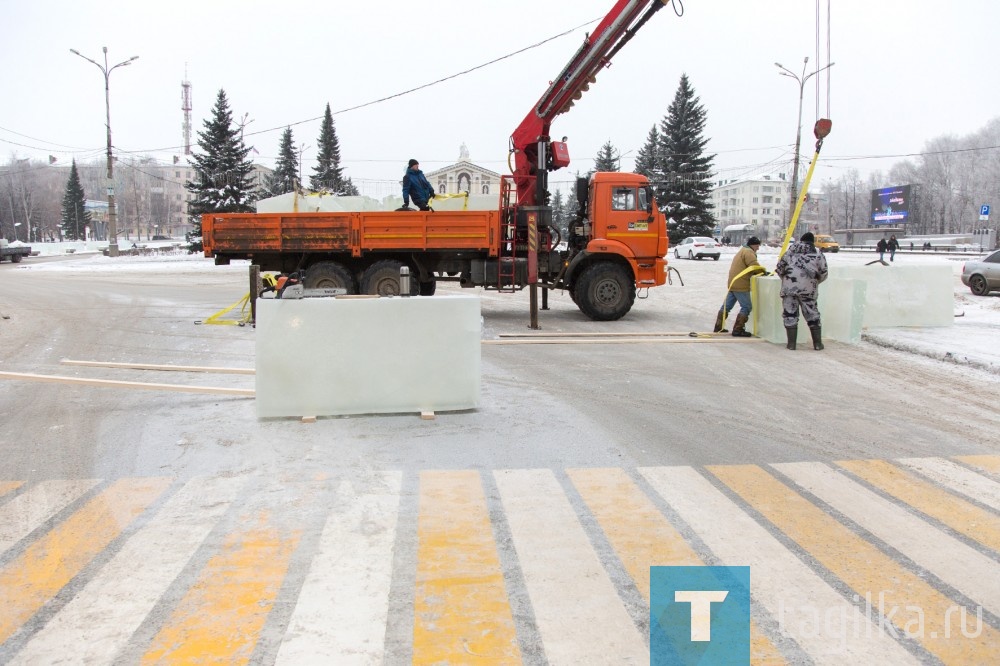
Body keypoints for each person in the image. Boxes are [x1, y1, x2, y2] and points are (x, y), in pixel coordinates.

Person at [775, 232, 829, 350]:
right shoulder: (818, 254)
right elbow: (824, 273)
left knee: (790, 314)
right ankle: (818, 344)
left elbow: (779, 269)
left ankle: (791, 344)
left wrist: (787, 281)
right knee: (812, 314)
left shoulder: (789, 253)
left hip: (789, 289)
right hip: (808, 290)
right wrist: (814, 282)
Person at [714, 236, 765, 337]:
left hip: (733, 282)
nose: (758, 248)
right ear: (752, 245)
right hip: (741, 284)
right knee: (746, 306)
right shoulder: (749, 252)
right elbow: (753, 265)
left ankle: (718, 326)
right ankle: (738, 329)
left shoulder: (742, 250)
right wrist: (763, 272)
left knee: (726, 307)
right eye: (757, 245)